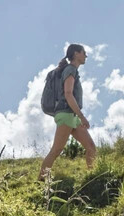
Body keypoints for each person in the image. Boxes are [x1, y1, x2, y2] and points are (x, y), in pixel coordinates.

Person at [39, 43, 96, 180]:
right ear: (76, 54)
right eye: (83, 52)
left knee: (91, 147)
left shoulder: (70, 70)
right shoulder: (70, 70)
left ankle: (92, 177)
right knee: (56, 150)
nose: (86, 55)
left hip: (72, 116)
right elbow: (68, 94)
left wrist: (78, 116)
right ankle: (41, 180)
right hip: (66, 114)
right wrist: (82, 116)